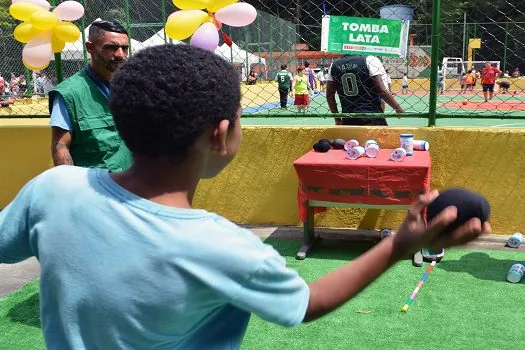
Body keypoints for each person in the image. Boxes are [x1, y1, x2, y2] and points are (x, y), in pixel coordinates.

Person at [0, 44, 491, 349]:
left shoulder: (55, 188)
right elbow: (307, 302)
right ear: (220, 134)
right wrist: (398, 244)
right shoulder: (221, 245)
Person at [49, 20, 132, 172]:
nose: (120, 54)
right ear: (90, 48)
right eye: (111, 47)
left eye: (124, 48)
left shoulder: (136, 87)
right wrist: (71, 187)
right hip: (94, 190)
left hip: (135, 187)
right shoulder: (69, 93)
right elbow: (60, 146)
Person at [326, 54, 404, 125]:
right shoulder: (370, 59)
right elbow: (381, 90)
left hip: (348, 117)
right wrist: (397, 108)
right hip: (371, 115)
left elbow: (329, 95)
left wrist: (337, 119)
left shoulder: (334, 65)